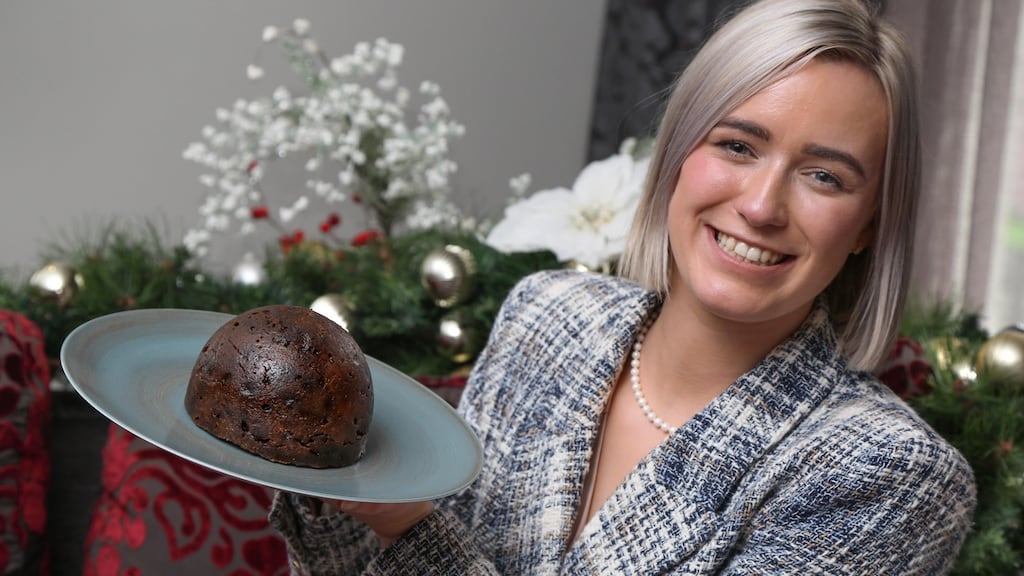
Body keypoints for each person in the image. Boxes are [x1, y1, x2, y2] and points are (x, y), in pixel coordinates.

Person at [270, 0, 977, 573]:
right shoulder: (549, 317)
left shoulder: (891, 474)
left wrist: (409, 526)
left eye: (825, 176)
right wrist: (330, 481)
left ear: (865, 227)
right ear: (677, 153)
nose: (762, 206)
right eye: (737, 145)